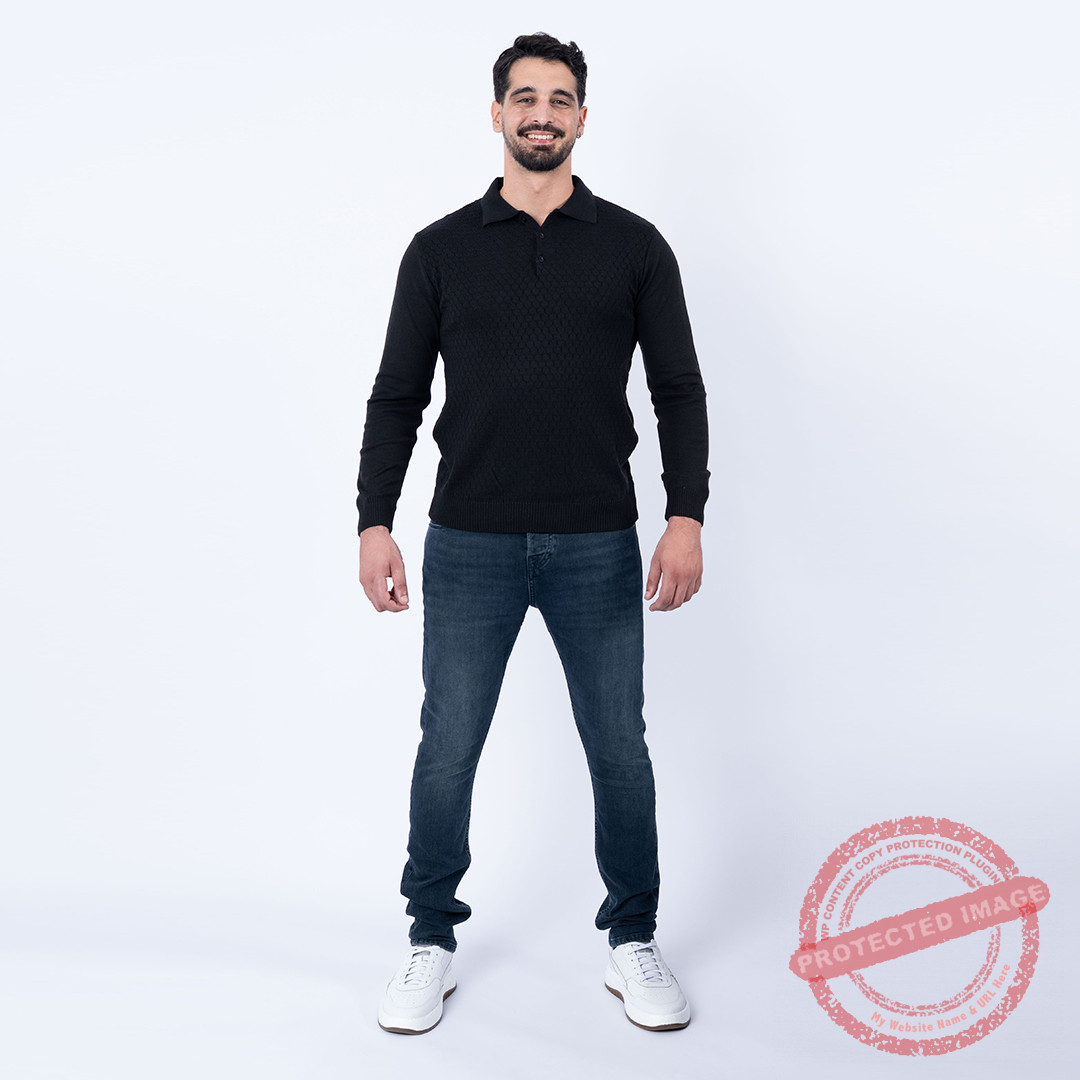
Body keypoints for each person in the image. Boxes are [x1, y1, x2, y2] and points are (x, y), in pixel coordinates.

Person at [357, 32, 709, 1034]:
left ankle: (632, 938)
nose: (542, 113)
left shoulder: (635, 247)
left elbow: (678, 390)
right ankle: (430, 939)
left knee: (619, 746)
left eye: (559, 98)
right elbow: (396, 396)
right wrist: (374, 521)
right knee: (449, 745)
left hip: (597, 538)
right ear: (497, 114)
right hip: (468, 539)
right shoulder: (439, 250)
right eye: (525, 97)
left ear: (582, 117)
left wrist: (685, 516)